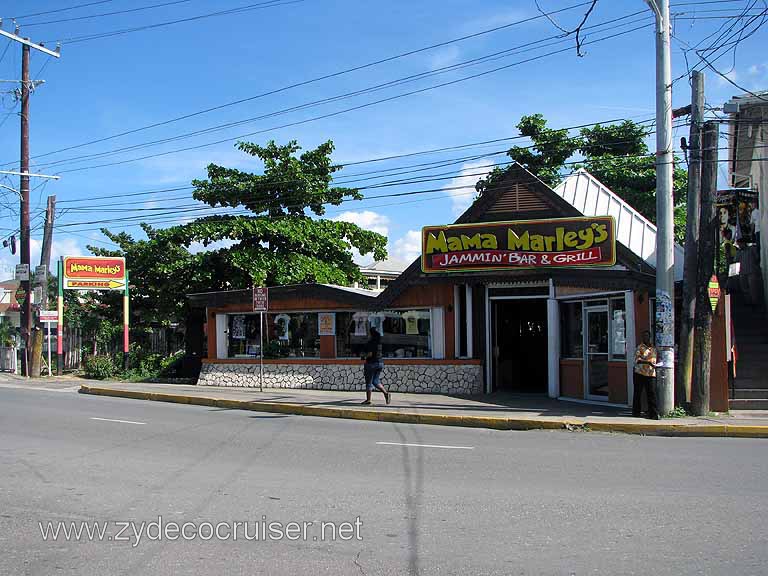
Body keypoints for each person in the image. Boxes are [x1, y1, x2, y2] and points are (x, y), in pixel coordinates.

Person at [632, 330, 659, 420]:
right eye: (644, 336)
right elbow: (637, 360)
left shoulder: (653, 348)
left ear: (649, 337)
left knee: (651, 393)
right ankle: (636, 412)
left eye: (647, 336)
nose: (645, 338)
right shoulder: (640, 347)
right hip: (640, 373)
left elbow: (655, 359)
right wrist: (647, 362)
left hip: (651, 373)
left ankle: (653, 414)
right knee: (637, 393)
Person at [361, 327, 390, 405]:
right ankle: (386, 393)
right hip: (380, 363)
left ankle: (368, 400)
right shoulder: (379, 343)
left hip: (371, 364)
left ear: (371, 334)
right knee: (375, 381)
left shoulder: (371, 343)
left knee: (369, 382)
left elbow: (370, 354)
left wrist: (364, 357)